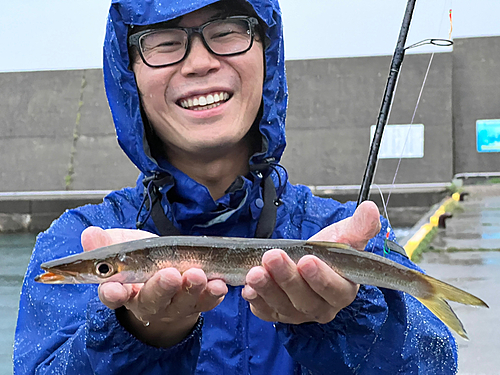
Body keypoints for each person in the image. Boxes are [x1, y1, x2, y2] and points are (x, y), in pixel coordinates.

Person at [14, 0, 458, 373]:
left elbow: (437, 362)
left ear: (267, 51)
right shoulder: (75, 236)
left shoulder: (346, 230)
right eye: (165, 42)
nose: (200, 62)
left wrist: (351, 319)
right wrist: (132, 336)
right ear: (127, 73)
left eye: (227, 31)